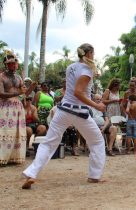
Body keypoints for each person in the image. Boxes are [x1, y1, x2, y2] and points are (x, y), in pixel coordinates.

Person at [22, 43, 107, 189]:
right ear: (89, 54)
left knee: (48, 143)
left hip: (63, 110)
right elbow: (78, 93)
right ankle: (94, 176)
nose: (94, 56)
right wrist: (96, 105)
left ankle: (32, 174)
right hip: (80, 112)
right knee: (97, 142)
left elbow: (73, 90)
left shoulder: (71, 67)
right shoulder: (87, 70)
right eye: (93, 53)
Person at [0, 52, 33, 165]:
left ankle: (14, 157)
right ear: (6, 65)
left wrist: (31, 88)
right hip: (5, 107)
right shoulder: (1, 77)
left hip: (17, 108)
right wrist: (17, 93)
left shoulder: (18, 78)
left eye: (15, 64)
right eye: (11, 64)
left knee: (16, 133)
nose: (14, 66)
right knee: (4, 132)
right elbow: (1, 94)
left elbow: (24, 94)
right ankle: (2, 158)